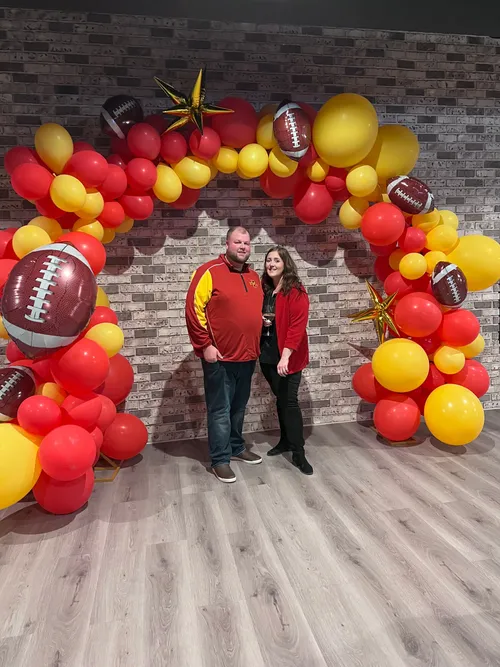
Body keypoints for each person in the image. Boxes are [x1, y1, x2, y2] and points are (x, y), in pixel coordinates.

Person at [185, 227, 264, 483]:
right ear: (227, 244)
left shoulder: (253, 275)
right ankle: (220, 459)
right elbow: (193, 310)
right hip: (220, 357)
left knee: (239, 408)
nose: (243, 246)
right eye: (238, 242)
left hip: (248, 356)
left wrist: (259, 321)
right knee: (220, 409)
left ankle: (236, 447)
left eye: (247, 243)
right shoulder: (209, 271)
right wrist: (205, 345)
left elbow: (245, 310)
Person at [260, 245, 313, 475]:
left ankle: (299, 453)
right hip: (267, 355)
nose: (271, 264)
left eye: (276, 260)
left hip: (288, 356)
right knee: (280, 399)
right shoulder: (265, 289)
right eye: (268, 260)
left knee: (290, 402)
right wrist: (262, 320)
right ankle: (284, 441)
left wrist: (286, 356)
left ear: (285, 264)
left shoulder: (296, 291)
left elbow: (297, 327)